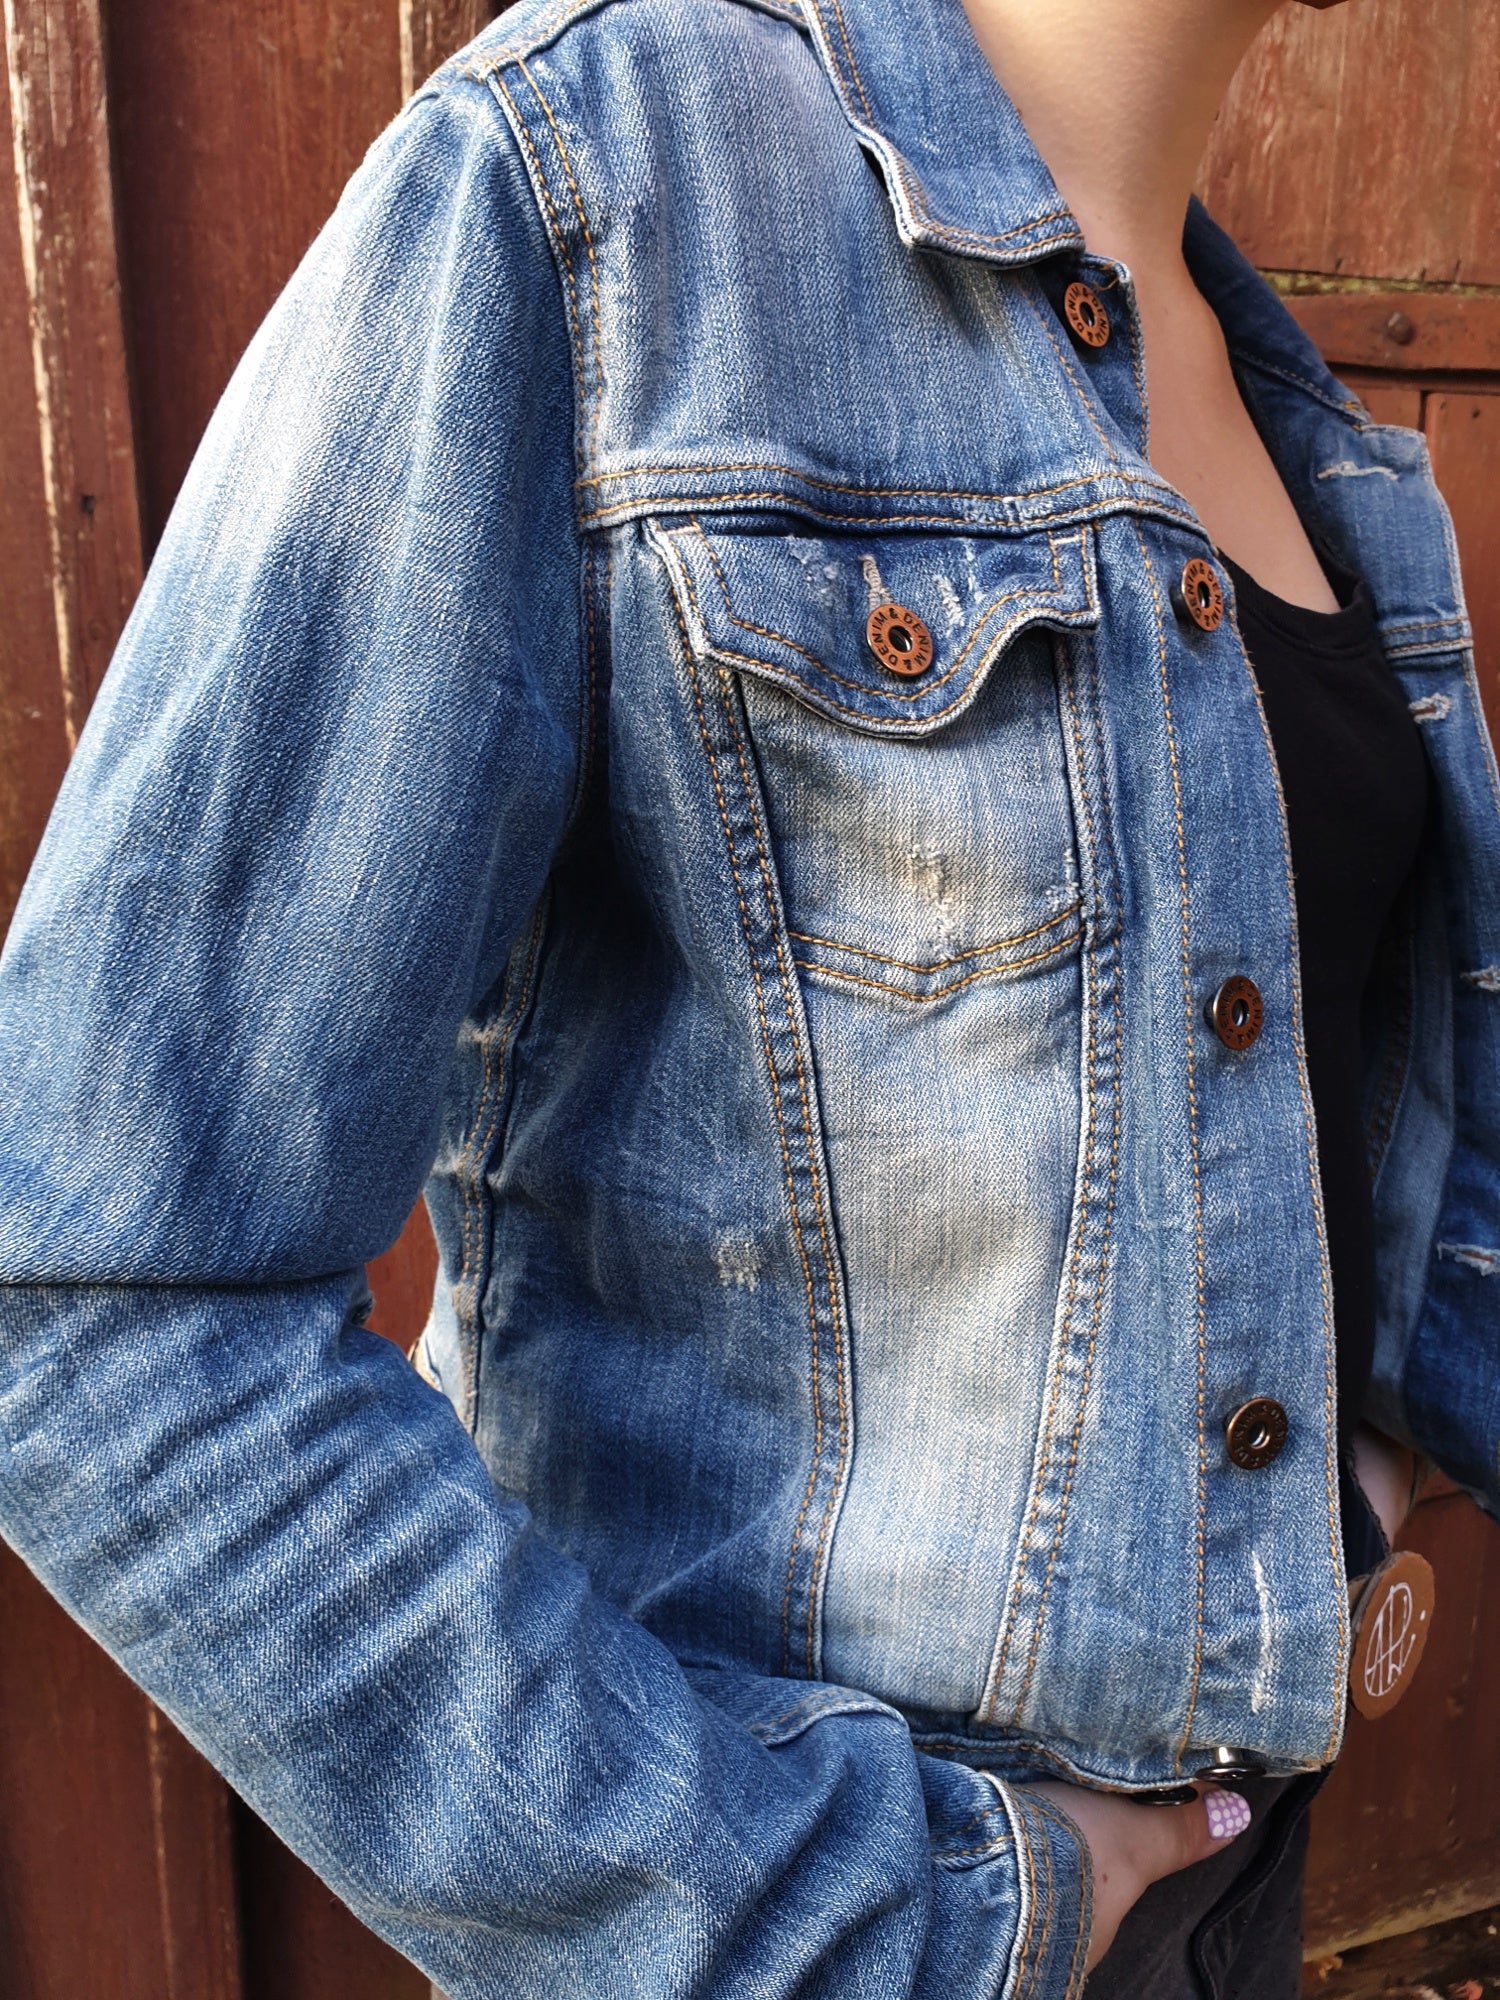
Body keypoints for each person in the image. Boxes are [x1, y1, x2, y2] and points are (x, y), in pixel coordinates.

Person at [0, 0, 1493, 1993]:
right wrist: (842, 1914)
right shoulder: (595, 184)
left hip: (1226, 1901)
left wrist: (1377, 1451)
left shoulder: (1286, 418)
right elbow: (101, 1285)